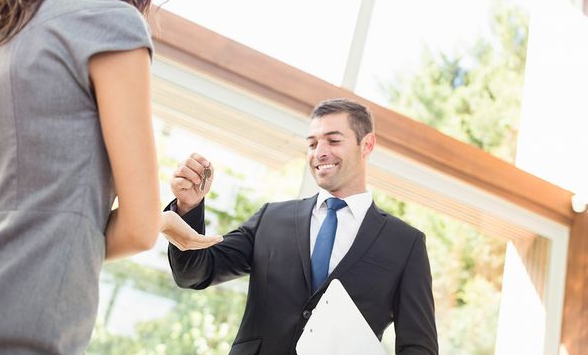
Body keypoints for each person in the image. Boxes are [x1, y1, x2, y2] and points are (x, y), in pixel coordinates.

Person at [0, 0, 215, 353]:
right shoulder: (108, 23)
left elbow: (27, 200)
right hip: (24, 314)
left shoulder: (3, 38)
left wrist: (160, 217)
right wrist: (152, 218)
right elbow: (136, 228)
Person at [161, 98, 439, 355]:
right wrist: (188, 208)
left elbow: (418, 346)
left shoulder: (405, 244)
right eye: (312, 143)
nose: (320, 152)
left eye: (333, 140)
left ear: (366, 145)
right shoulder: (272, 218)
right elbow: (194, 273)